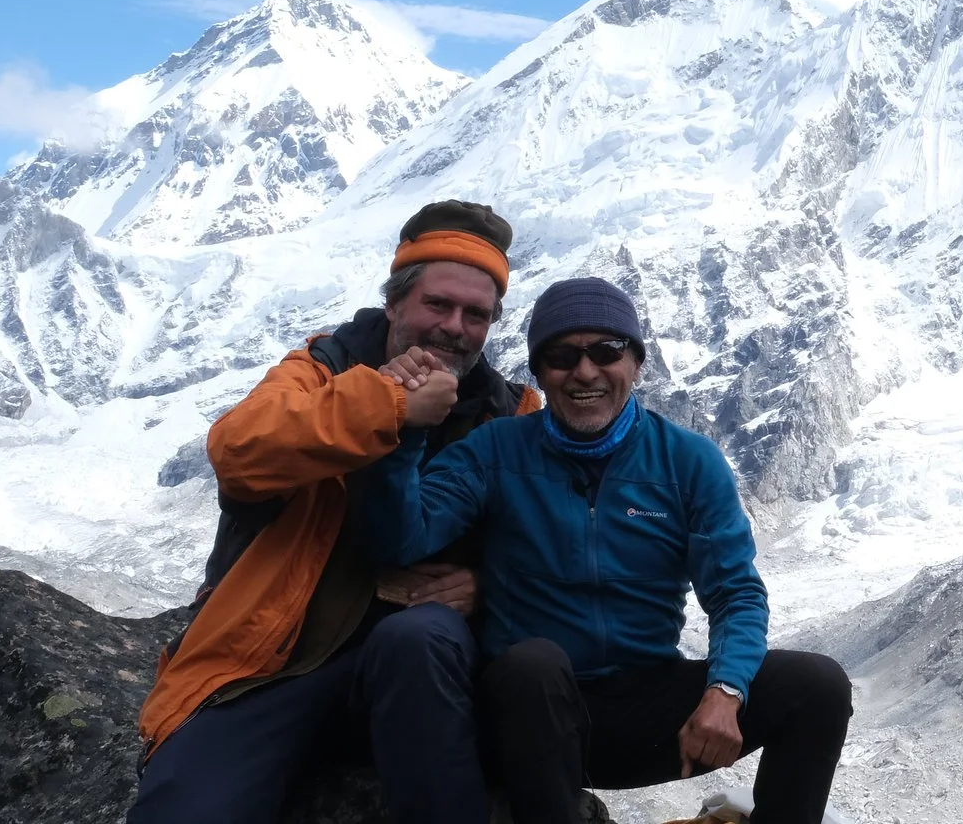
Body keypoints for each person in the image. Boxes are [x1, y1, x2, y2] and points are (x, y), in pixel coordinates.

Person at [358, 277, 853, 824]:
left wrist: (726, 690)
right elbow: (402, 538)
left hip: (649, 705)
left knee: (818, 685)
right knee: (532, 664)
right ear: (539, 371)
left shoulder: (688, 462)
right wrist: (403, 430)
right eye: (561, 356)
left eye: (606, 351)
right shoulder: (495, 452)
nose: (585, 372)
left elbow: (735, 593)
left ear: (636, 363)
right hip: (527, 714)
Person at [129, 200, 538, 824]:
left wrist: (487, 585)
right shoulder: (323, 368)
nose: (455, 327)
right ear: (394, 303)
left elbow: (549, 545)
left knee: (418, 639)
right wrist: (386, 402)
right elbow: (238, 452)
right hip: (277, 657)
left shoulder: (510, 413)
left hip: (419, 667)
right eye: (437, 304)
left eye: (475, 314)